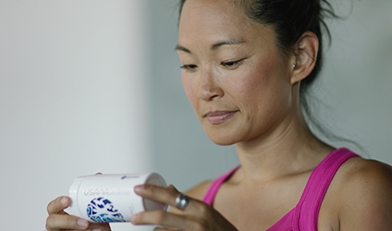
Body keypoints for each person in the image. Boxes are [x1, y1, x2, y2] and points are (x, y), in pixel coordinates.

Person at [45, 0, 392, 230]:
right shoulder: (188, 209)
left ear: (299, 57)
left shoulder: (362, 193)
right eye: (189, 65)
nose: (205, 88)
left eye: (229, 61)